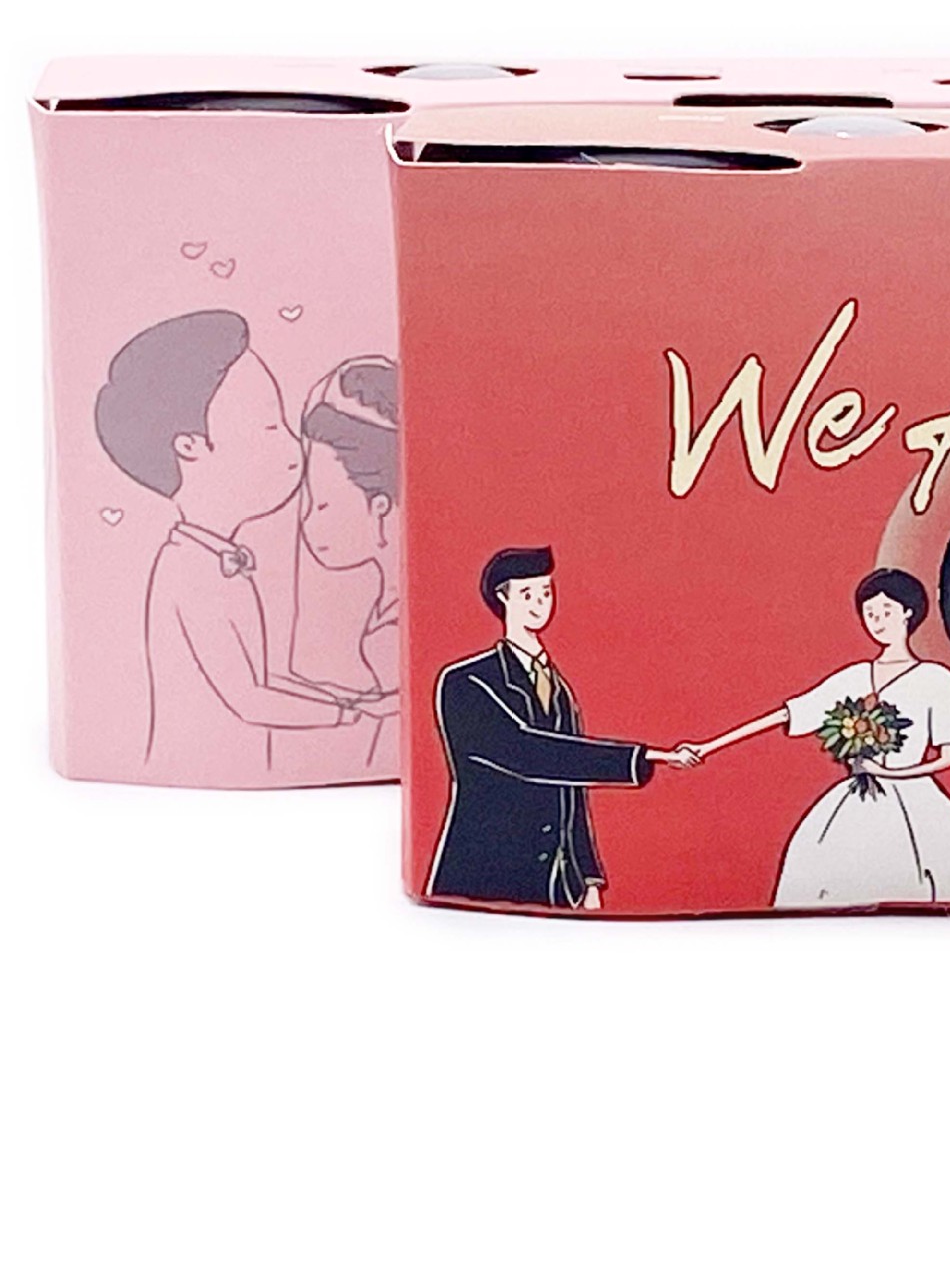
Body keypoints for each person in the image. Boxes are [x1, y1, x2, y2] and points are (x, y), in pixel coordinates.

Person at [95, 310, 364, 778]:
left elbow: (265, 677)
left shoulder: (222, 560)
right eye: (269, 426)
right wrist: (343, 715)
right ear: (191, 446)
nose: (294, 446)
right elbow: (248, 699)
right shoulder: (189, 571)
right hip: (183, 778)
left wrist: (349, 699)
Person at [688, 568, 950, 908]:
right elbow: (790, 713)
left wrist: (889, 772)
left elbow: (946, 758)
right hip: (857, 796)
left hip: (917, 800)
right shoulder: (855, 677)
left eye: (886, 611)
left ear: (908, 612)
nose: (877, 621)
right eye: (870, 613)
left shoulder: (936, 679)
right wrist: (707, 747)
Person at [428, 547, 697, 910]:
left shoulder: (560, 690)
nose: (540, 603)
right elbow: (526, 753)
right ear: (502, 600)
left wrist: (589, 879)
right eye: (527, 594)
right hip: (484, 873)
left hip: (554, 883)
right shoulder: (466, 682)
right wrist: (644, 756)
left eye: (546, 591)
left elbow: (572, 789)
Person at [300, 357, 401, 759]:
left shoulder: (390, 632)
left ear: (379, 505)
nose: (306, 521)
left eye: (321, 504)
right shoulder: (389, 606)